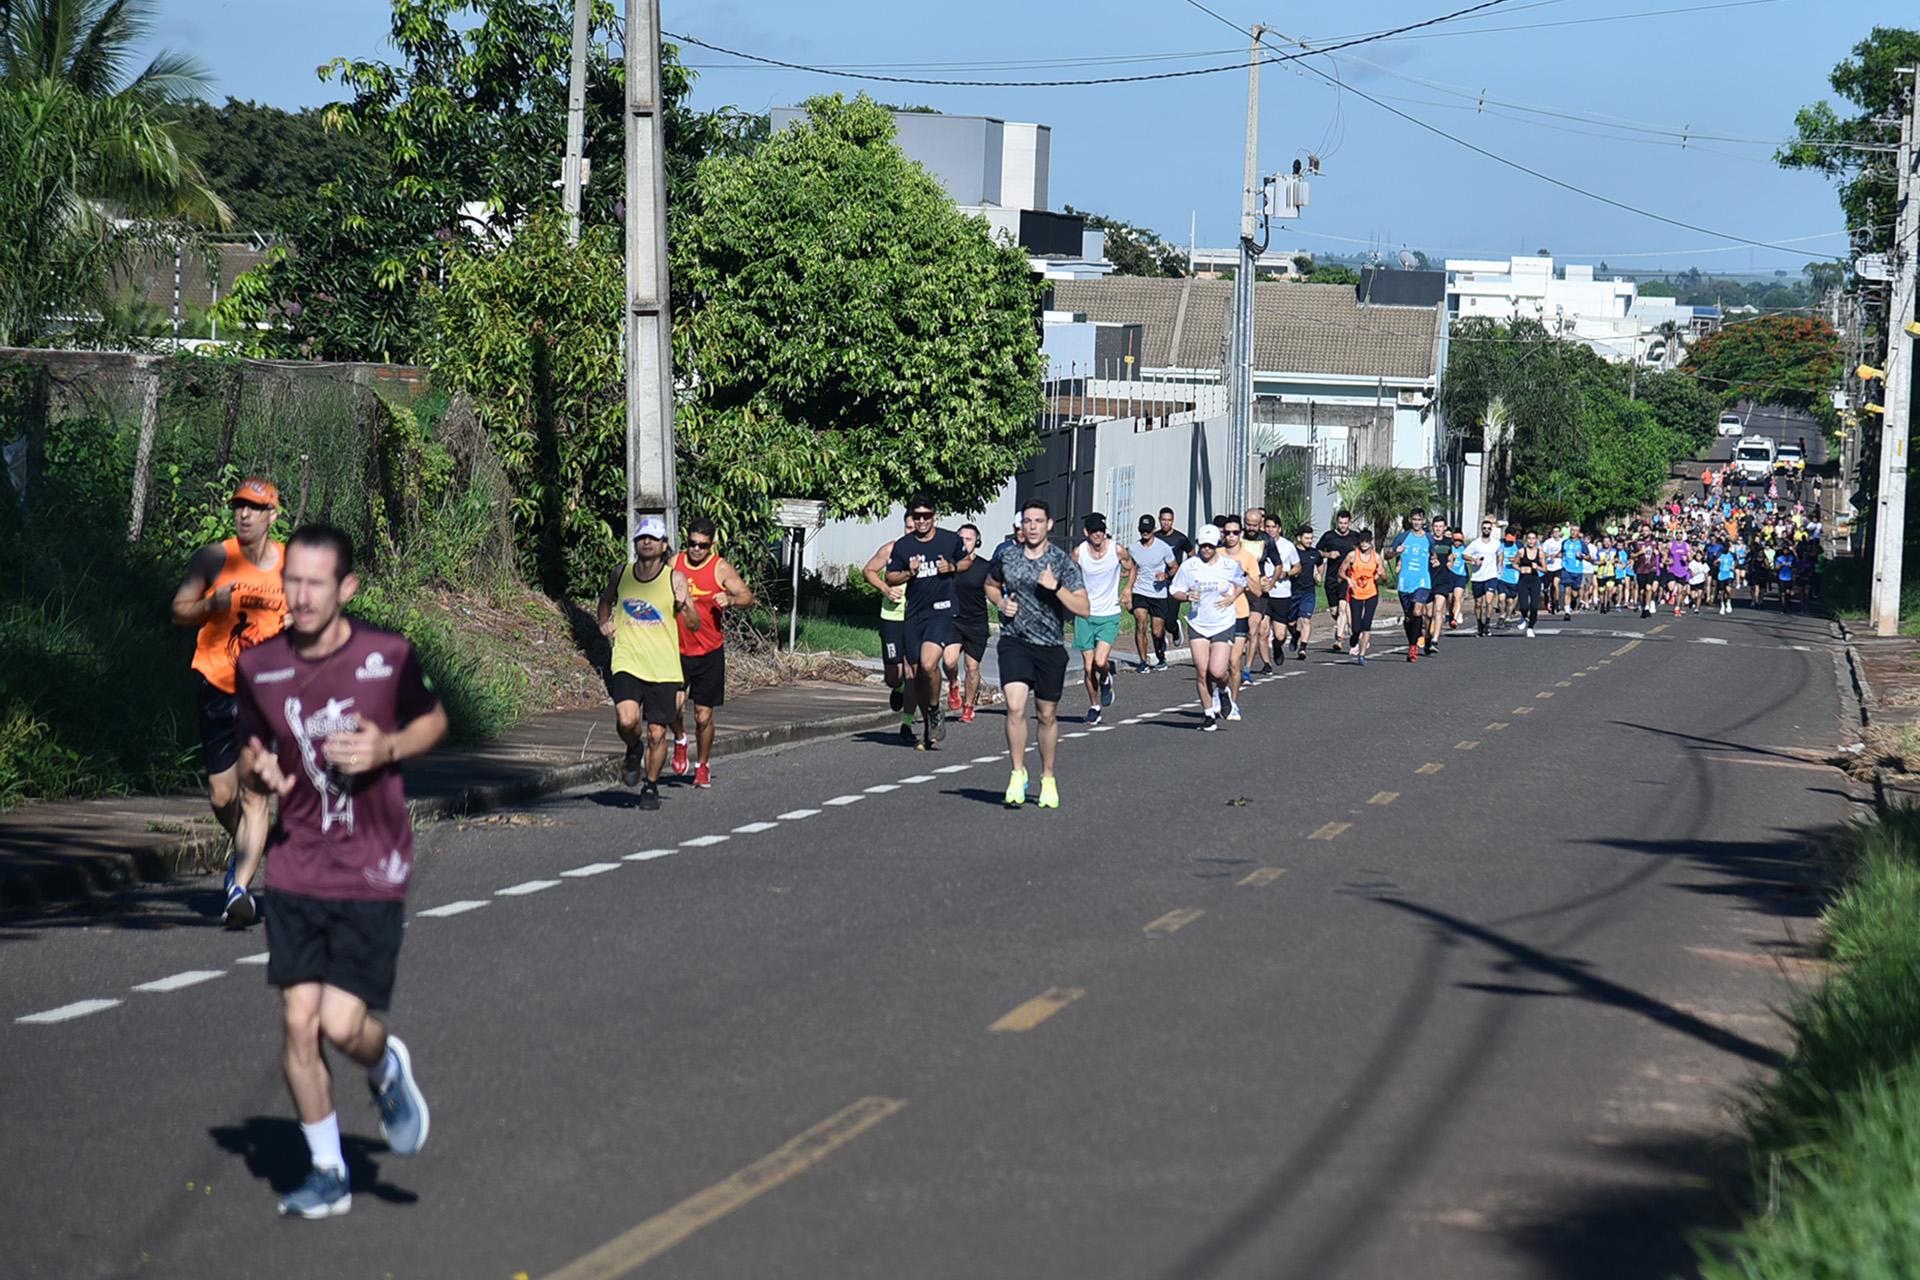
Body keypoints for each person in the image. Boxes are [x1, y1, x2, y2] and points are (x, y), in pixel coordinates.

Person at [234, 524, 447, 1219]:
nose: (299, 595)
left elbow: (434, 722)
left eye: (315, 583)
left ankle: (384, 1065)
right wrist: (257, 769)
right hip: (297, 866)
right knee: (299, 1025)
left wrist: (387, 745)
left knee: (339, 1023)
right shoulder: (259, 666)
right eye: (291, 580)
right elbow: (251, 751)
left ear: (346, 588)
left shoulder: (387, 656)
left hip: (371, 868)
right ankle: (327, 1172)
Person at [170, 476, 287, 929]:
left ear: (272, 516)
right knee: (223, 796)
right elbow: (178, 609)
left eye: (255, 508)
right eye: (239, 506)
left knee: (256, 793)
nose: (244, 514)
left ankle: (239, 887)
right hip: (216, 685)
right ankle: (248, 844)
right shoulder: (214, 557)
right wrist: (207, 607)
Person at [985, 499, 1090, 808]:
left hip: (1049, 646)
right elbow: (990, 585)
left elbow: (1084, 608)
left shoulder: (1061, 563)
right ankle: (1017, 772)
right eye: (1027, 521)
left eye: (1037, 521)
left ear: (1049, 524)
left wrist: (1055, 587)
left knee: (1046, 715)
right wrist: (1002, 604)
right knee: (1015, 707)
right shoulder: (1007, 557)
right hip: (1014, 641)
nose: (1032, 526)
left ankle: (1047, 777)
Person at [599, 518, 693, 809]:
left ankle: (650, 785)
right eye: (642, 538)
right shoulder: (621, 573)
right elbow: (605, 601)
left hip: (663, 666)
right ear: (635, 542)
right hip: (628, 660)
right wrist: (604, 621)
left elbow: (695, 624)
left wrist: (684, 603)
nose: (647, 542)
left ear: (664, 545)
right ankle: (631, 747)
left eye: (653, 538)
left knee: (656, 732)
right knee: (626, 720)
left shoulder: (674, 578)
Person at [668, 517, 754, 788]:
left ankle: (702, 764)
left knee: (703, 715)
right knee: (671, 706)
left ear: (711, 545)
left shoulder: (720, 568)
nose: (696, 550)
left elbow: (747, 597)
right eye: (692, 543)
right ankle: (680, 739)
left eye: (702, 546)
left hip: (708, 651)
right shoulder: (674, 563)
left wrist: (729, 599)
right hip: (676, 649)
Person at [885, 495, 972, 751]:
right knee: (918, 675)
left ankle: (934, 710)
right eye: (917, 516)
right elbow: (890, 577)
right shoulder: (904, 546)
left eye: (927, 515)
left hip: (942, 612)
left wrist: (952, 566)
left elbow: (967, 561)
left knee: (928, 663)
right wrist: (909, 573)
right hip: (914, 615)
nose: (922, 520)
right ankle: (928, 724)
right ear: (912, 517)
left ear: (935, 515)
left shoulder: (948, 539)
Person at [1169, 524, 1247, 727]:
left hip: (1222, 622)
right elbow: (1174, 590)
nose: (1206, 550)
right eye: (1203, 546)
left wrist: (1232, 597)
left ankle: (1223, 691)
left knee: (1218, 671)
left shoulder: (1228, 565)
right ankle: (1208, 714)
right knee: (1202, 671)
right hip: (1198, 623)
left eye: (1210, 546)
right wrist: (1186, 596)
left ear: (1216, 545)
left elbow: (1241, 583)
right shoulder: (1190, 566)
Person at [1072, 512, 1135, 726]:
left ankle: (1106, 678)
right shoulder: (1079, 553)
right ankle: (1094, 706)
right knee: (1088, 667)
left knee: (1100, 662)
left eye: (1101, 530)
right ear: (1086, 532)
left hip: (1109, 613)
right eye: (1094, 531)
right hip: (1085, 615)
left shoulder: (1116, 550)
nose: (1098, 534)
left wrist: (1127, 589)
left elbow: (1131, 567)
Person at [862, 515, 918, 742]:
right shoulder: (891, 548)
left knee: (914, 671)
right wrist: (886, 589)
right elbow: (868, 571)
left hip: (917, 618)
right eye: (909, 526)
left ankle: (907, 723)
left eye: (917, 526)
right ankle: (899, 688)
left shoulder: (931, 553)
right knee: (894, 676)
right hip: (892, 617)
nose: (912, 530)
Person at [1219, 516, 1264, 719]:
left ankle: (1233, 703)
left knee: (1233, 662)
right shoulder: (1215, 554)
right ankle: (1221, 693)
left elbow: (1258, 591)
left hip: (1239, 613)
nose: (1231, 536)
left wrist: (1244, 576)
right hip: (1217, 614)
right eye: (1227, 532)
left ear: (1241, 534)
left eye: (1235, 533)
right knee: (1217, 668)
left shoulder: (1248, 558)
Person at [950, 523, 994, 723]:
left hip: (976, 623)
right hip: (953, 620)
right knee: (949, 661)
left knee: (972, 667)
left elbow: (995, 591)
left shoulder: (985, 567)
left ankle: (968, 707)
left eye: (969, 538)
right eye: (961, 538)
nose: (965, 542)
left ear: (977, 542)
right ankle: (953, 686)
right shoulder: (950, 565)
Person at [1128, 514, 1178, 672]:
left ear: (1153, 530)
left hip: (1158, 593)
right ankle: (1143, 662)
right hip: (1140, 591)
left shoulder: (1163, 547)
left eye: (1148, 530)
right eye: (1142, 530)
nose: (1145, 533)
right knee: (1141, 624)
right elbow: (1132, 569)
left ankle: (1161, 654)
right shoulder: (1133, 548)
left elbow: (1174, 566)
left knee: (1156, 631)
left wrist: (1166, 576)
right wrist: (1128, 589)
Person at [1387, 507, 1434, 662]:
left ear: (1424, 521)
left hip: (1422, 581)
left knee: (1418, 610)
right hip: (1405, 582)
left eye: (1419, 520)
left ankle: (1413, 646)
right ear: (1410, 520)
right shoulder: (1403, 537)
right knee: (1408, 617)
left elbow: (1434, 555)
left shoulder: (1429, 538)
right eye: (1414, 519)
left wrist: (1435, 560)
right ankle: (1411, 642)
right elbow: (1387, 555)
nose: (1417, 522)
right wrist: (1395, 552)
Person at [1318, 508, 1360, 652]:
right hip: (1331, 578)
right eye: (1340, 523)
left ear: (1349, 522)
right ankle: (1347, 627)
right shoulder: (1329, 536)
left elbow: (1363, 553)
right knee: (1335, 611)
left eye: (1345, 523)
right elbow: (1317, 552)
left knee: (1343, 608)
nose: (1343, 526)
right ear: (1336, 522)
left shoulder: (1355, 537)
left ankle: (1339, 639)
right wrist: (1328, 554)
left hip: (1347, 578)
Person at [1340, 530, 1383, 664]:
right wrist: (1347, 579)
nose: (1364, 544)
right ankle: (1354, 636)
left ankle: (1362, 654)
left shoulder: (1376, 557)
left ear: (1371, 542)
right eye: (1362, 541)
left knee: (1367, 624)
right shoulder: (1352, 556)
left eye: (1367, 542)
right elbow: (1341, 572)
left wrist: (1381, 575)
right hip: (1356, 593)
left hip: (1371, 593)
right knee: (1356, 626)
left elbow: (1384, 576)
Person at [1463, 518, 1501, 637]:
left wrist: (1500, 565)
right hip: (1477, 577)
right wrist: (1474, 560)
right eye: (1484, 528)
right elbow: (1464, 555)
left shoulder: (1496, 543)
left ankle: (1487, 624)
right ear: (1481, 529)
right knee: (1478, 603)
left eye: (1489, 528)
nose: (1486, 530)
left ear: (1491, 530)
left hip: (1491, 575)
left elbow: (1500, 553)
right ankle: (1479, 623)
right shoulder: (1475, 543)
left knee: (1489, 601)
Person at [1288, 524, 1322, 657]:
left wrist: (1319, 575)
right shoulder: (1292, 552)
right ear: (1299, 538)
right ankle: (1295, 634)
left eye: (1311, 538)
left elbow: (1320, 563)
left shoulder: (1314, 553)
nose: (1309, 541)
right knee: (1290, 622)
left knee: (1305, 620)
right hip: (1293, 591)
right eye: (1306, 538)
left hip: (1308, 592)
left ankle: (1303, 648)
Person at [1514, 529, 1545, 637]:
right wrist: (1520, 569)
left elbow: (1545, 569)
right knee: (1523, 606)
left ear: (1536, 540)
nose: (1531, 541)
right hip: (1523, 580)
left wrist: (1538, 567)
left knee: (1534, 606)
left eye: (1533, 539)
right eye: (1529, 539)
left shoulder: (1540, 553)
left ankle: (1530, 627)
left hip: (1535, 580)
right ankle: (1523, 616)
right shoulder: (1522, 551)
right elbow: (1514, 564)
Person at [1714, 541, 1737, 614]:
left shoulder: (1732, 555)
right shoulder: (1720, 555)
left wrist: (1733, 567)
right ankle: (1722, 605)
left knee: (1728, 589)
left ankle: (1728, 602)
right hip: (1721, 574)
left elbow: (1736, 562)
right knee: (1721, 592)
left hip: (1729, 574)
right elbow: (1715, 563)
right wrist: (1717, 562)